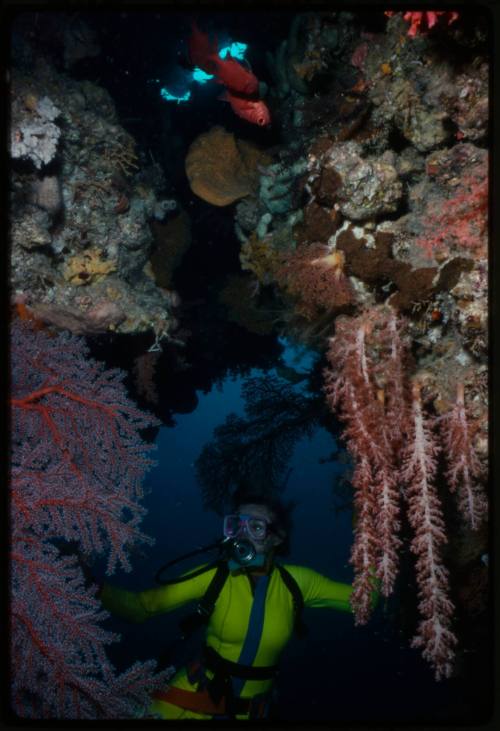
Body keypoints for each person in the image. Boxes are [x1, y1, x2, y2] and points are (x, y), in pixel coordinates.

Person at [98, 489, 378, 720]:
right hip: (185, 701)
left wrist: (373, 529)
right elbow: (141, 607)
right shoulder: (214, 576)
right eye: (237, 525)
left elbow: (366, 599)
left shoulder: (298, 582)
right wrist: (89, 584)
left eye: (256, 527)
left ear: (277, 538)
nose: (243, 535)